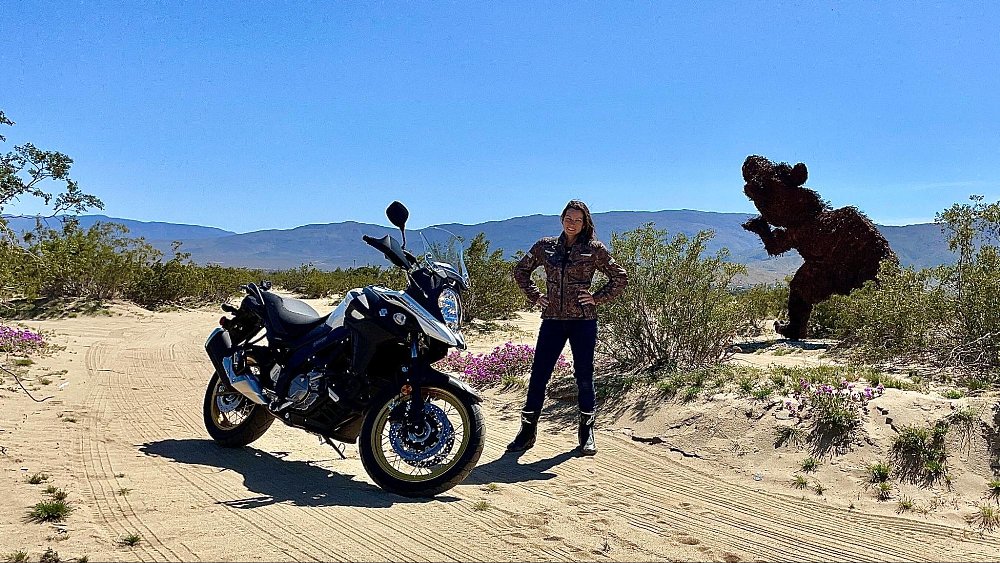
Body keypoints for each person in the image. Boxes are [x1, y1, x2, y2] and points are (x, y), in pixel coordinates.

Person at [508, 200, 628, 456]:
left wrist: (596, 297)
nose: (572, 224)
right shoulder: (545, 246)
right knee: (539, 374)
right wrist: (535, 296)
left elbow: (620, 277)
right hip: (552, 320)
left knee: (584, 375)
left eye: (578, 220)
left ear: (585, 223)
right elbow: (520, 271)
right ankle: (527, 432)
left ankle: (587, 433)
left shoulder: (593, 249)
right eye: (568, 219)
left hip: (583, 322)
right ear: (562, 219)